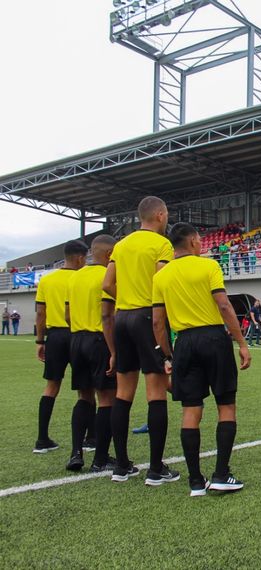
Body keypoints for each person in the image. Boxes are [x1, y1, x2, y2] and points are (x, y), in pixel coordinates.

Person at [152, 223, 251, 496]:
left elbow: (158, 323)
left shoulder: (160, 276)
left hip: (183, 342)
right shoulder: (208, 267)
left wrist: (168, 355)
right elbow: (223, 305)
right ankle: (221, 474)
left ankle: (196, 481)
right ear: (194, 241)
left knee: (190, 410)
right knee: (226, 405)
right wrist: (242, 343)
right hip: (213, 339)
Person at [101, 196, 177, 484]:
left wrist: (127, 296)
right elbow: (162, 281)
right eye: (166, 213)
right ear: (159, 215)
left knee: (123, 393)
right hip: (148, 316)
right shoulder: (161, 244)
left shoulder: (121, 245)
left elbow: (107, 284)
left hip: (122, 318)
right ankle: (156, 469)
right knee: (155, 391)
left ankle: (121, 465)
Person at [64, 235, 118, 472]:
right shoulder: (108, 276)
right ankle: (101, 458)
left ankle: (76, 452)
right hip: (99, 340)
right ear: (108, 255)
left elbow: (67, 315)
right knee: (107, 399)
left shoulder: (75, 277)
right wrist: (114, 349)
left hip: (76, 340)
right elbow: (108, 316)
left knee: (83, 397)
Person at [33, 240, 88, 453]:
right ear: (81, 258)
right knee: (85, 388)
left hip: (54, 336)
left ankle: (42, 439)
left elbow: (40, 313)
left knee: (51, 386)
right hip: (76, 333)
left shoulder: (47, 280)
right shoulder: (80, 278)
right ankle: (90, 438)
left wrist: (40, 341)